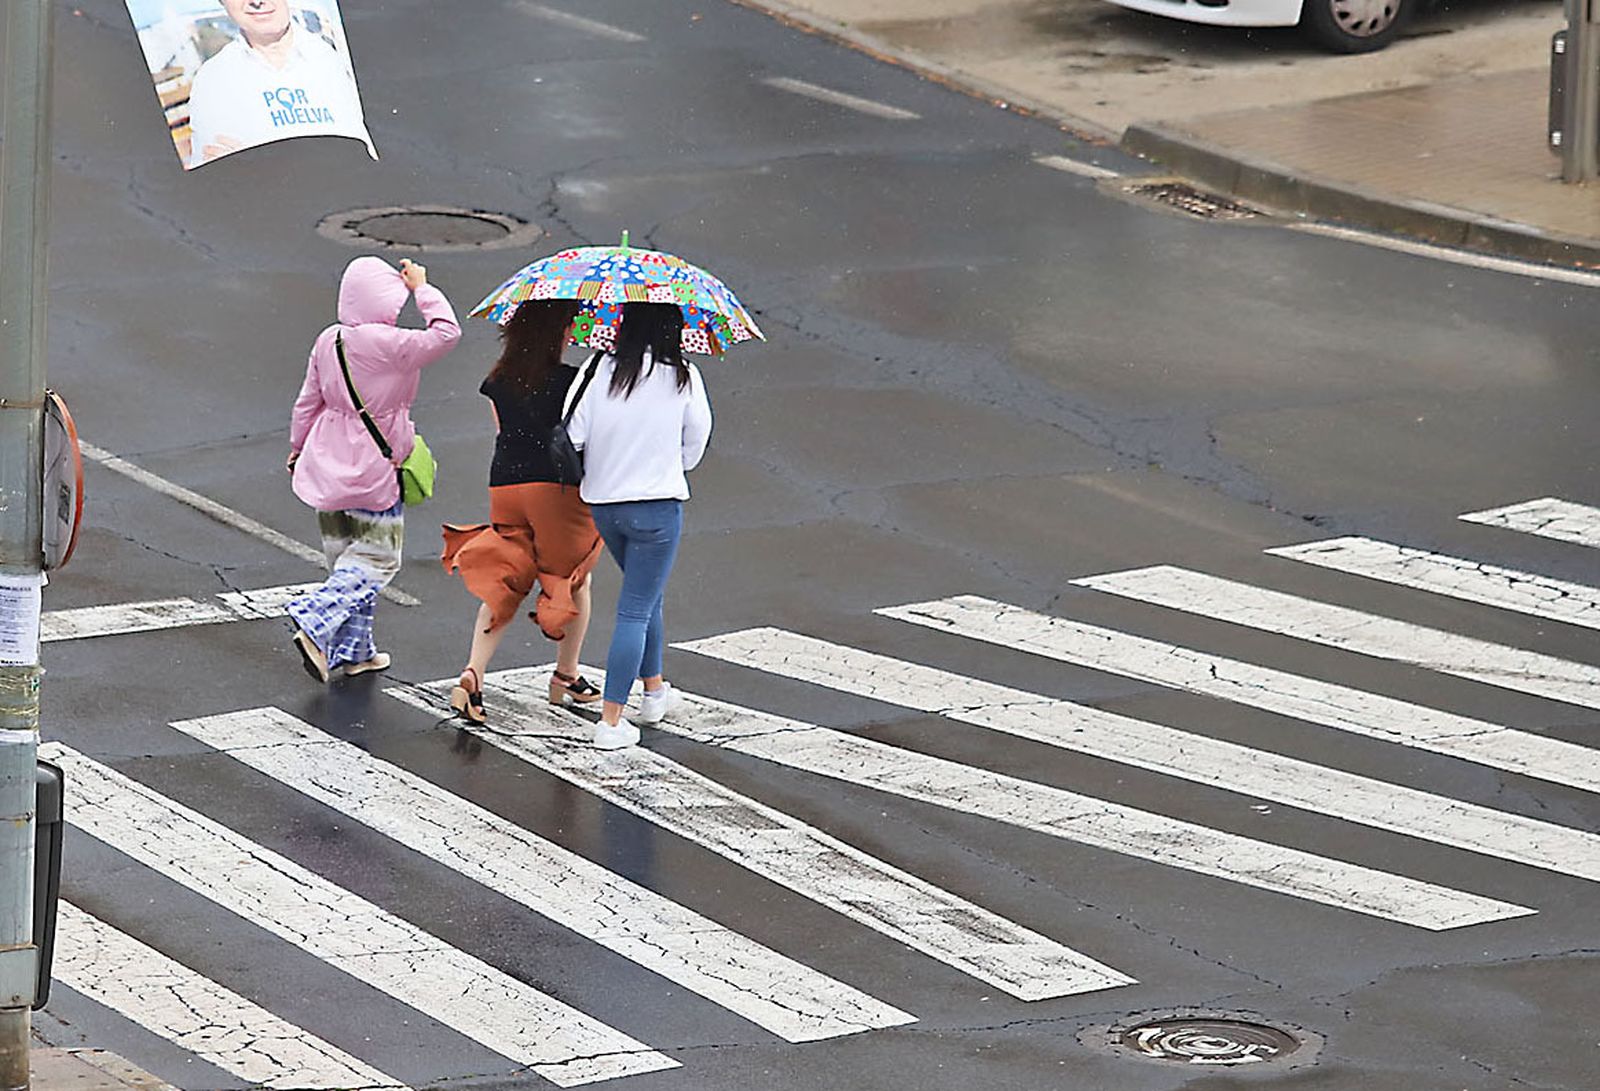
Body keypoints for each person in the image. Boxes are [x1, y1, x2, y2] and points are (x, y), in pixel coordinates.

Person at [285, 255, 460, 682]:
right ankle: (313, 619)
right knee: (377, 561)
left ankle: (355, 651)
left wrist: (297, 448)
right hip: (374, 470)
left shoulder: (330, 339)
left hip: (326, 463)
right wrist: (423, 287)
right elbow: (447, 333)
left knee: (348, 562)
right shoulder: (393, 343)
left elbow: (310, 399)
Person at [441, 299, 606, 725]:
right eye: (569, 325)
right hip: (553, 487)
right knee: (571, 579)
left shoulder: (498, 378)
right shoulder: (572, 382)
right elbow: (581, 436)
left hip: (505, 484)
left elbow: (504, 430)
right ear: (558, 332)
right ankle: (566, 675)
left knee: (506, 578)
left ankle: (472, 672)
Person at [567, 302, 713, 749]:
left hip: (606, 505)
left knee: (647, 596)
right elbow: (697, 438)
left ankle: (653, 691)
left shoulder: (597, 368)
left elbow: (573, 433)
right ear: (672, 329)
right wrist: (673, 466)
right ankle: (612, 721)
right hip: (657, 508)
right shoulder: (683, 374)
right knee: (635, 608)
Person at [186, 0, 375, 169]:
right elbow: (217, 174)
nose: (257, 2)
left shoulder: (339, 58)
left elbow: (370, 154)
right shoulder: (212, 79)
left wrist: (254, 163)